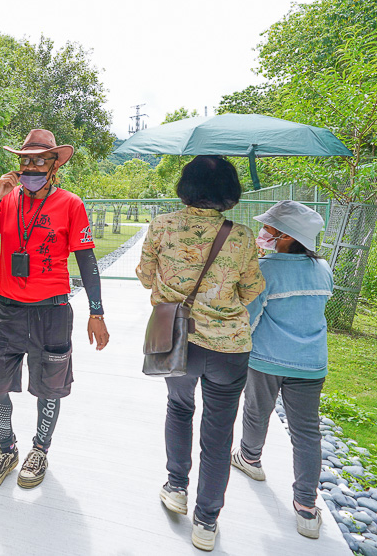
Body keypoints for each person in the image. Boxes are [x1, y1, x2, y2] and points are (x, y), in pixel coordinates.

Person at [135, 155, 264, 552]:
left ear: (186, 186)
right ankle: (207, 522)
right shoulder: (241, 236)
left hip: (177, 340)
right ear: (229, 192)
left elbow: (143, 276)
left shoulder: (162, 226)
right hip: (228, 348)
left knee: (178, 409)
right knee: (219, 430)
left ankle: (176, 487)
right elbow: (251, 289)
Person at [0, 128, 109, 491]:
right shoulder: (7, 200)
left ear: (53, 165)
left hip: (52, 311)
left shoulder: (71, 204)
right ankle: (6, 448)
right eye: (24, 160)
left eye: (38, 160)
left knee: (50, 387)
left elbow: (86, 259)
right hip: (8, 310)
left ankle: (39, 450)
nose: (30, 167)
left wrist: (97, 312)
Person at [230, 200, 333, 539]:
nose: (264, 233)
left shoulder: (266, 270)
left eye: (270, 229)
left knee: (257, 411)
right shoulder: (323, 269)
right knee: (306, 432)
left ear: (286, 236)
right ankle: (306, 507)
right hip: (311, 363)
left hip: (268, 358)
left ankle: (250, 458)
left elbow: (251, 316)